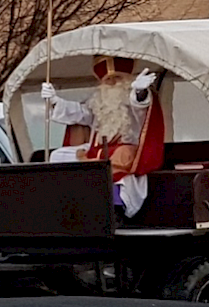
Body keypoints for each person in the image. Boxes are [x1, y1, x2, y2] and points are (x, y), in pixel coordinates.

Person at [41, 56, 164, 218]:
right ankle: (64, 202)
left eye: (117, 78)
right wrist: (55, 101)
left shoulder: (131, 99)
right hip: (96, 152)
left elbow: (142, 107)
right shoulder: (100, 103)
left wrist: (140, 92)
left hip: (126, 153)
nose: (112, 83)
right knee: (58, 156)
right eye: (108, 79)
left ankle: (116, 208)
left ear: (127, 79)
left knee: (119, 156)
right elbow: (79, 113)